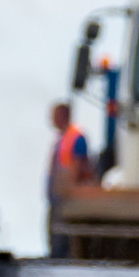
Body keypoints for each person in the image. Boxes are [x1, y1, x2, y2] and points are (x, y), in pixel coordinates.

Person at [45, 101, 92, 258]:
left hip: (66, 196)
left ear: (62, 116)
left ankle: (60, 260)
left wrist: (69, 191)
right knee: (54, 233)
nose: (51, 120)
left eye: (53, 116)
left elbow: (76, 167)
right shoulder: (62, 137)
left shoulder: (75, 137)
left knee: (61, 237)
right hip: (58, 195)